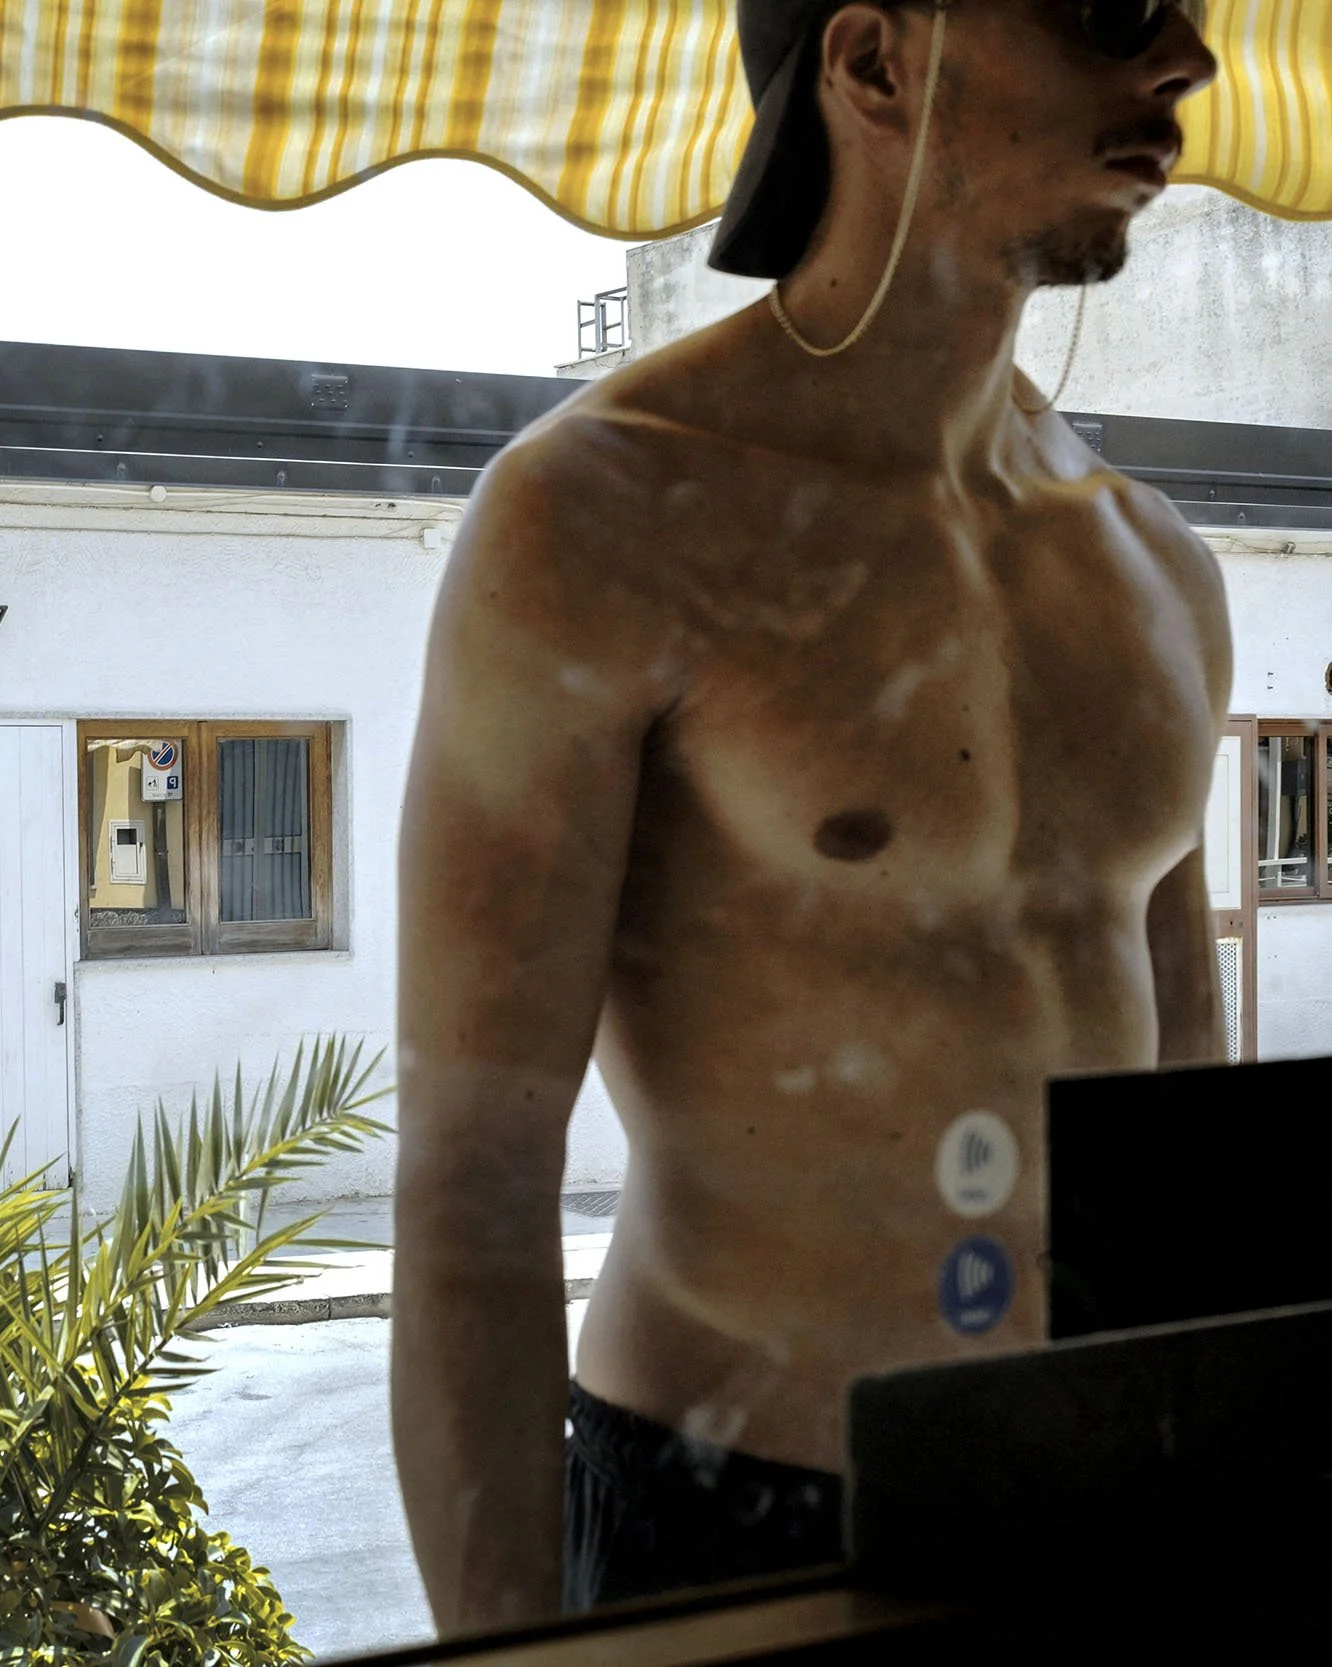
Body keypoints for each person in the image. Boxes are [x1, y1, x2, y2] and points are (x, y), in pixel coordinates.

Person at [392, 0, 1227, 1630]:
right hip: (735, 1522)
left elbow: (1184, 1151)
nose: (1187, 61)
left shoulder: (1154, 566)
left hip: (1106, 1498)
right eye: (1114, 11)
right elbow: (476, 1184)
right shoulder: (605, 512)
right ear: (873, 63)